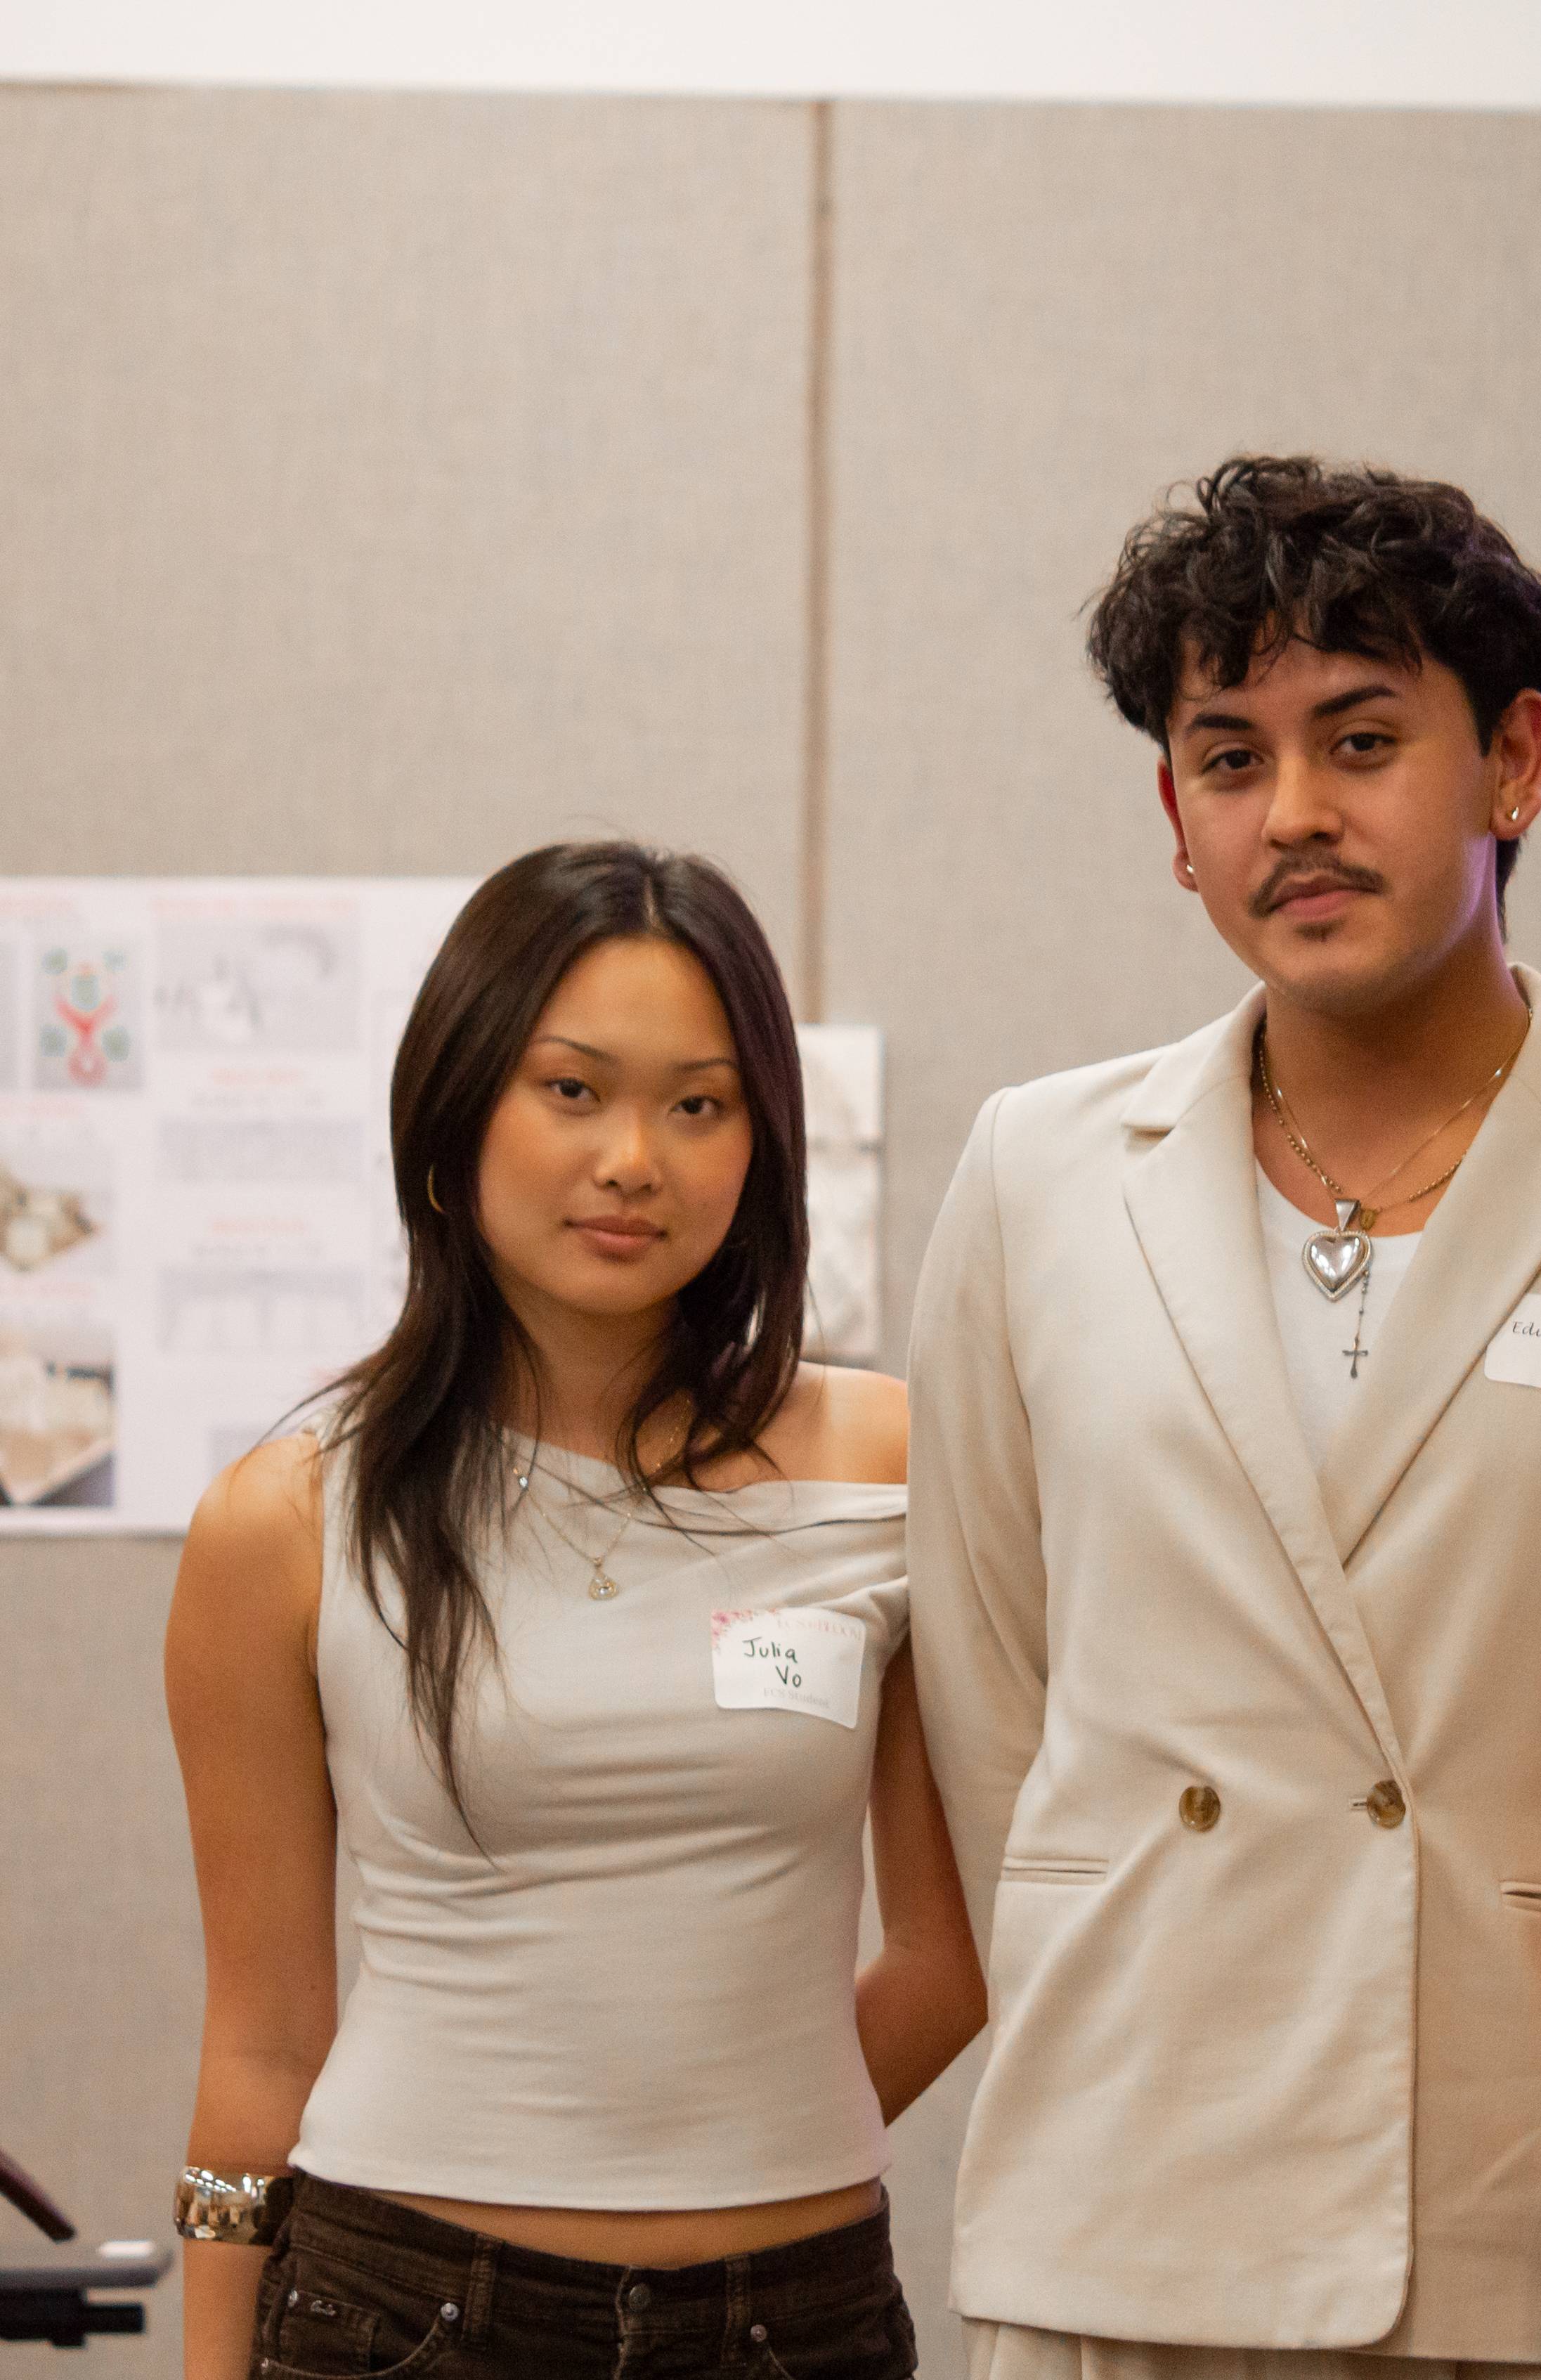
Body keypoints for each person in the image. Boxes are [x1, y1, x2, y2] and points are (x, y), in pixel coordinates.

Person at [908, 455, 1541, 2377]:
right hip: (1126, 2183)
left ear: (1513, 764)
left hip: (1520, 2194)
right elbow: (995, 1701)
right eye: (1227, 756)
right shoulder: (1036, 1171)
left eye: (1359, 739)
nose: (1295, 815)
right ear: (1174, 817)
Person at [164, 841, 983, 2380]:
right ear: (455, 1105)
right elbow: (262, 2040)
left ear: (761, 1148)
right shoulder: (284, 1519)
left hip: (790, 2322)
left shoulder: (894, 1466)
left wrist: (719, 2129)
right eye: (572, 1090)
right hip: (403, 2313)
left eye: (699, 1103)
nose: (633, 1158)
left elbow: (954, 1948)